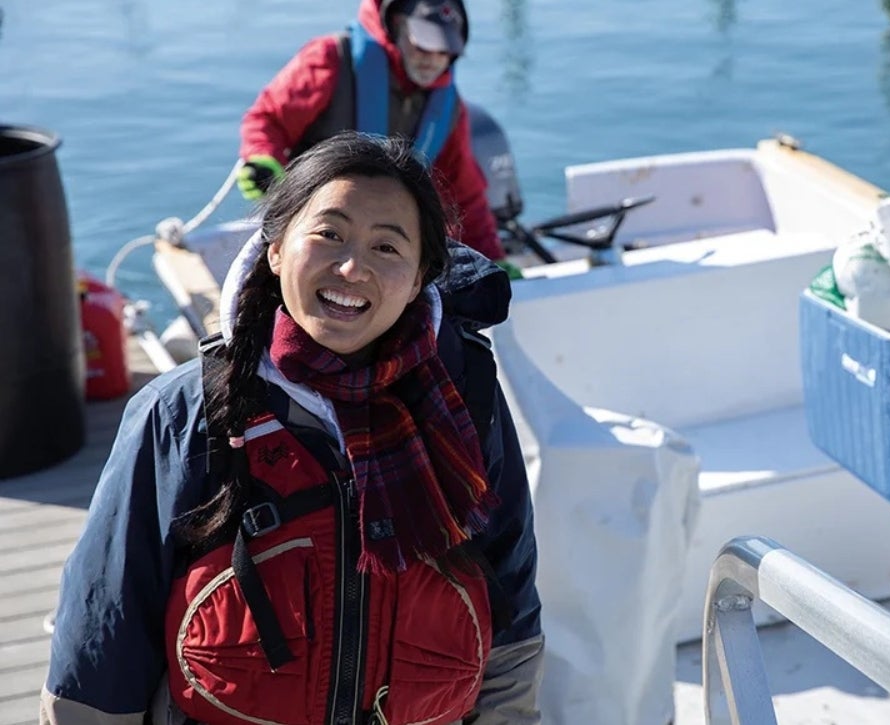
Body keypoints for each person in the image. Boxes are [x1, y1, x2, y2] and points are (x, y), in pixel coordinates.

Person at [41, 132, 542, 725]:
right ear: (275, 249)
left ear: (419, 278)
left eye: (388, 247)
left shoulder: (467, 399)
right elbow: (104, 632)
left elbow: (509, 600)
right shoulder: (182, 412)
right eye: (328, 235)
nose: (352, 268)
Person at [236, 0, 506, 262]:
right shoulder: (331, 58)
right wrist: (263, 158)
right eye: (423, 44)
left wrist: (491, 257)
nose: (432, 59)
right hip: (311, 229)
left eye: (444, 49)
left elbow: (463, 194)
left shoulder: (449, 108)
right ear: (398, 24)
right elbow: (268, 119)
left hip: (382, 243)